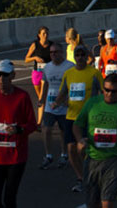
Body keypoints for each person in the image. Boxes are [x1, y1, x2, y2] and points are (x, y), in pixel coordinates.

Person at [73, 72, 117, 208]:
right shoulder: (92, 103)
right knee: (92, 203)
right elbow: (77, 125)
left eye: (114, 91)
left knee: (108, 201)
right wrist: (80, 140)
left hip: (115, 159)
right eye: (107, 90)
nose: (109, 94)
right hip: (92, 158)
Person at [0, 60, 37, 208]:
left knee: (9, 199)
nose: (1, 79)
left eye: (5, 75)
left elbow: (31, 124)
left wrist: (19, 130)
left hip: (15, 157)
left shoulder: (22, 97)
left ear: (13, 75)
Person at [53, 45, 103, 192]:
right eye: (77, 55)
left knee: (84, 149)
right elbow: (63, 92)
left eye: (82, 55)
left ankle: (92, 174)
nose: (80, 57)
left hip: (89, 117)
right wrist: (56, 102)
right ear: (74, 57)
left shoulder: (94, 73)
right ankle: (81, 178)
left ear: (87, 56)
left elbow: (103, 91)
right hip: (71, 117)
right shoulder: (69, 73)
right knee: (71, 149)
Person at [39, 41, 74, 170]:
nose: (53, 54)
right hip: (50, 104)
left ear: (62, 53)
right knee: (46, 129)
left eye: (56, 52)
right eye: (51, 52)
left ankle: (64, 154)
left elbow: (74, 84)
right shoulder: (47, 67)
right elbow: (46, 83)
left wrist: (69, 99)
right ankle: (48, 155)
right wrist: (42, 99)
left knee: (63, 131)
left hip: (64, 105)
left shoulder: (70, 66)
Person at [24, 26, 52, 121]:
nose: (45, 35)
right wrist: (35, 58)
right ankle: (45, 113)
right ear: (39, 35)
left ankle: (40, 121)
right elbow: (26, 59)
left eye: (47, 33)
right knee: (41, 96)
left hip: (48, 74)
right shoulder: (35, 45)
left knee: (42, 97)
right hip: (37, 73)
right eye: (43, 33)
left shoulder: (51, 45)